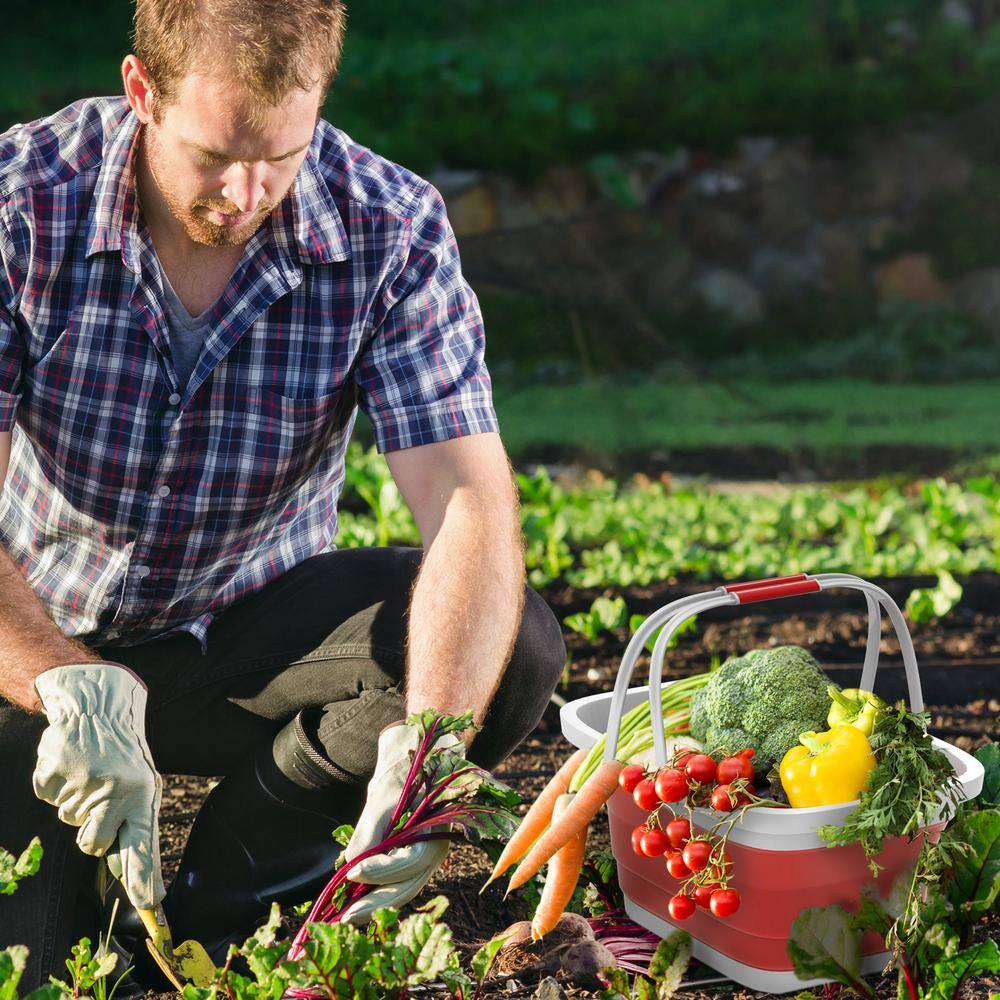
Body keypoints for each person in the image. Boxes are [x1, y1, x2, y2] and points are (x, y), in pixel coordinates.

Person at [0, 0, 566, 990]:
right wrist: (62, 679)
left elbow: (468, 501)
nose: (248, 193)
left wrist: (430, 741)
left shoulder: (387, 225)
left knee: (509, 650)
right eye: (215, 155)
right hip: (35, 655)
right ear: (141, 91)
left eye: (284, 155)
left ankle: (224, 909)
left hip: (244, 638)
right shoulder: (19, 203)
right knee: (34, 971)